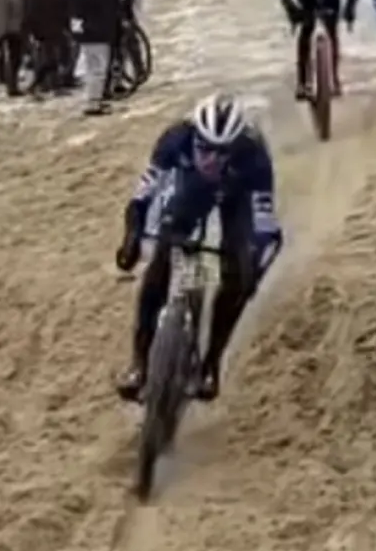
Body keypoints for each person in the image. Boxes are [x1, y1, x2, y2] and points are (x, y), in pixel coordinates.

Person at [115, 91, 281, 402]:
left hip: (237, 196)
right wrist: (131, 238)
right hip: (192, 191)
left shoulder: (254, 157)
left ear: (235, 147)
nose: (211, 160)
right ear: (194, 138)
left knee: (237, 277)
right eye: (205, 150)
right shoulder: (175, 139)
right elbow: (141, 198)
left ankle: (211, 364)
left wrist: (252, 268)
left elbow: (265, 227)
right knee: (159, 267)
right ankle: (139, 363)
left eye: (221, 153)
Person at [72, 0, 124, 115]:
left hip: (100, 32)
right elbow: (78, 10)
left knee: (96, 69)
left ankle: (95, 100)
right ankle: (93, 103)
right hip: (94, 33)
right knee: (97, 69)